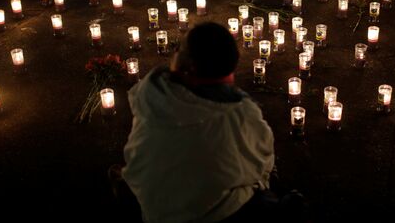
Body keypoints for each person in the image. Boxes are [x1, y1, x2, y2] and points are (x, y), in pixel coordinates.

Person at [119, 22, 277, 222]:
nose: (174, 52)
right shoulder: (239, 113)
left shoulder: (152, 93)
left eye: (179, 49)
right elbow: (262, 161)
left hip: (153, 208)